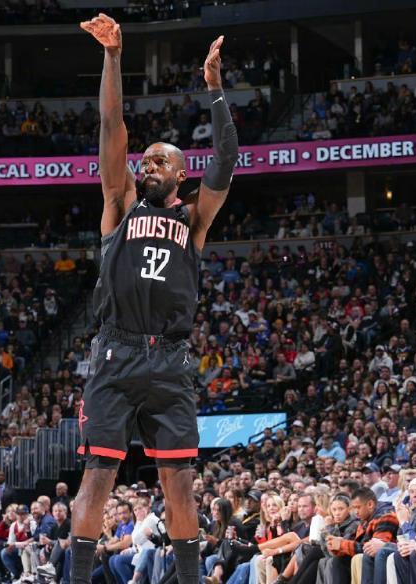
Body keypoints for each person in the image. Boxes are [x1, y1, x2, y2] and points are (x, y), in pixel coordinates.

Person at [73, 13, 238, 584]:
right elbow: (111, 123)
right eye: (145, 161)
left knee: (179, 484)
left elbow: (227, 159)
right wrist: (113, 56)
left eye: (159, 161)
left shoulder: (194, 218)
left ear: (180, 173)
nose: (148, 166)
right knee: (97, 477)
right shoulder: (119, 204)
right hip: (116, 352)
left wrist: (215, 89)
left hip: (170, 358)